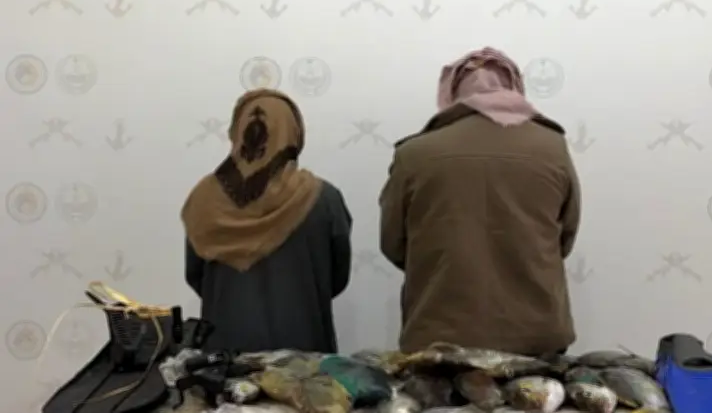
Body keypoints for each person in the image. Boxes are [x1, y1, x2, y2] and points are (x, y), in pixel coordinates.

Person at [379, 47, 581, 356]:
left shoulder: (415, 153)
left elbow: (393, 244)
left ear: (452, 91)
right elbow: (564, 237)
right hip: (536, 336)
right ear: (514, 86)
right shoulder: (552, 147)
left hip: (440, 335)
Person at [181, 89, 352, 353]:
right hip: (304, 356)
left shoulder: (205, 199)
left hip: (225, 356)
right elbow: (336, 277)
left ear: (237, 132)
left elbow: (195, 275)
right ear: (294, 135)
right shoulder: (323, 198)